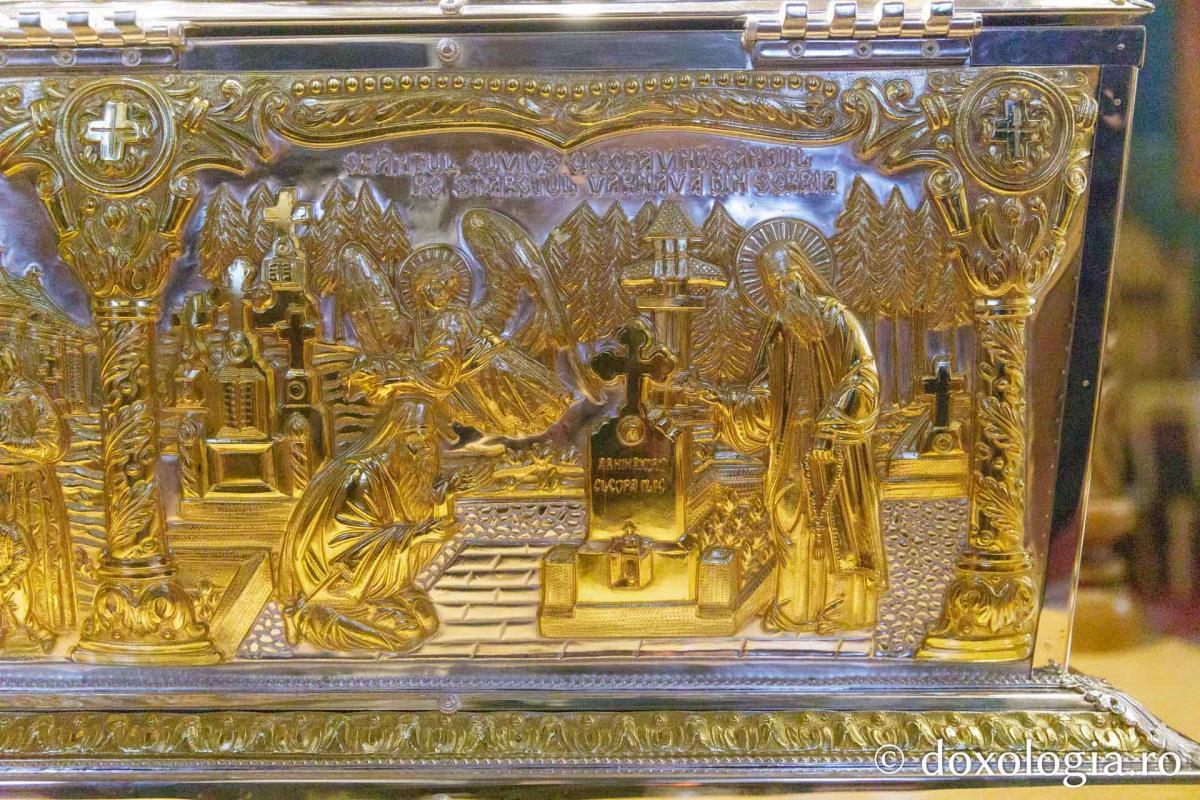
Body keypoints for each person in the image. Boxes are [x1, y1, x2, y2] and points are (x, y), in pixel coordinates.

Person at [276, 246, 569, 653]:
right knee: (412, 628)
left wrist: (384, 375)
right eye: (426, 285)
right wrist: (421, 532)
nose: (435, 292)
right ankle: (322, 616)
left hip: (444, 408)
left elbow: (438, 374)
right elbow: (355, 550)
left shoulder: (450, 321)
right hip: (338, 582)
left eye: (443, 284)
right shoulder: (365, 477)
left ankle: (362, 606)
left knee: (423, 619)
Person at [687, 240, 886, 633]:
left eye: (785, 278)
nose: (780, 289)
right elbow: (766, 394)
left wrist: (833, 420)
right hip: (792, 446)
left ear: (803, 275)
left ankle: (843, 608)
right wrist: (724, 400)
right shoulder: (779, 331)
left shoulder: (839, 320)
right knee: (790, 519)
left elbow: (864, 375)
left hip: (836, 446)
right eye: (772, 284)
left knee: (840, 524)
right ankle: (796, 609)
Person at [0, 341, 75, 651]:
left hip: (28, 485)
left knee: (28, 548)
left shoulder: (31, 396)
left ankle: (38, 623)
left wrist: (9, 446)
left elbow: (53, 444)